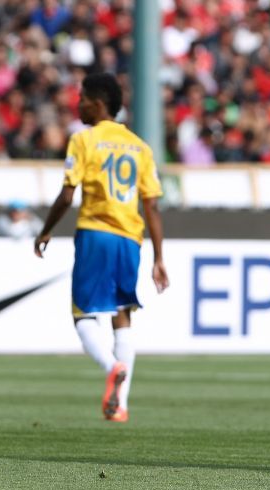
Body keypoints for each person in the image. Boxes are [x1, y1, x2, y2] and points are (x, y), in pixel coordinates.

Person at [34, 73, 169, 423]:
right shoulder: (140, 147)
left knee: (83, 315)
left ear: (97, 103)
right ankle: (120, 404)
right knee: (122, 315)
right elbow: (152, 205)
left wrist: (46, 230)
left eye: (82, 99)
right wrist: (159, 258)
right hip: (130, 239)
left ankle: (112, 367)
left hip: (96, 233)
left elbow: (68, 195)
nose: (77, 105)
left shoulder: (84, 140)